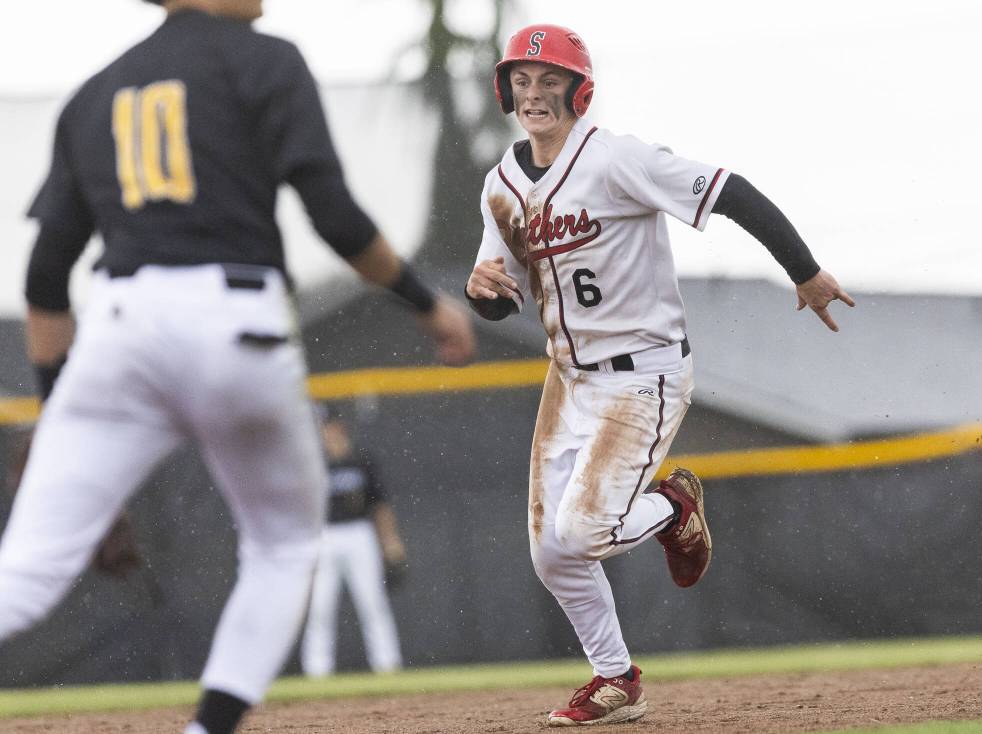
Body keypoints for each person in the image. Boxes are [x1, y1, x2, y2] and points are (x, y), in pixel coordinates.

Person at [0, 1, 475, 733]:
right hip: (235, 324)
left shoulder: (96, 93)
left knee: (24, 575)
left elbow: (44, 280)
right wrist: (424, 302)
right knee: (285, 543)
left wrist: (62, 415)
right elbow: (334, 214)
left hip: (119, 328)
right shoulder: (267, 60)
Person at [465, 24, 854, 727]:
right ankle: (617, 681)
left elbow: (728, 190)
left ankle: (674, 506)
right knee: (552, 554)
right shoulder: (501, 184)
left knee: (580, 534)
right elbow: (500, 298)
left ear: (577, 88)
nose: (534, 93)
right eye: (521, 79)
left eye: (548, 78)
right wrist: (482, 292)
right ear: (504, 90)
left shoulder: (616, 159)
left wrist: (804, 269)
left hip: (642, 372)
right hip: (569, 378)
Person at [301, 414, 406, 676]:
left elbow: (379, 505)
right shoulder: (315, 465)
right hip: (325, 535)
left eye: (331, 429)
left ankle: (387, 665)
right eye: (324, 430)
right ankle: (317, 671)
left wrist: (390, 540)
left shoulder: (361, 461)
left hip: (359, 533)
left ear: (341, 429)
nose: (328, 435)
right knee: (320, 606)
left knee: (371, 601)